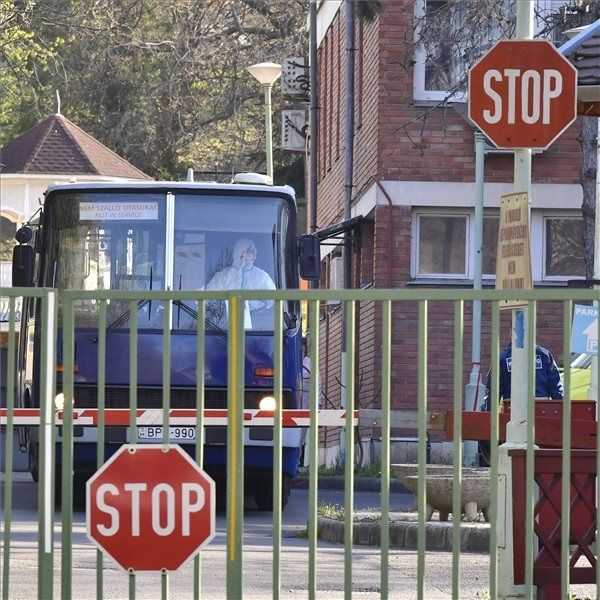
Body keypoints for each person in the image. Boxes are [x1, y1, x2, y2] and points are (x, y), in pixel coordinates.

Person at [479, 343, 564, 466]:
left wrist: (489, 417)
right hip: (544, 419)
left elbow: (492, 395)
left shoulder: (502, 358)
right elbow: (557, 392)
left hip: (512, 416)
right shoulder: (545, 355)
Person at [206, 238, 276, 326]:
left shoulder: (262, 277)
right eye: (241, 252)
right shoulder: (223, 276)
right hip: (223, 328)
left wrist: (251, 305)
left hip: (256, 329)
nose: (244, 256)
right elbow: (209, 297)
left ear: (254, 256)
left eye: (248, 252)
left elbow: (271, 301)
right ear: (235, 254)